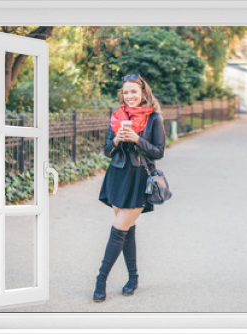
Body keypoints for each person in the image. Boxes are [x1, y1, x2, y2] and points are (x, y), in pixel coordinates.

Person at [94, 74, 166, 302]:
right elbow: (107, 150)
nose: (130, 96)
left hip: (138, 179)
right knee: (127, 229)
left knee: (118, 231)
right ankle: (133, 278)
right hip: (117, 176)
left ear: (144, 93)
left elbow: (159, 151)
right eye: (126, 92)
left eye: (134, 92)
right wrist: (116, 140)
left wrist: (136, 139)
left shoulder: (154, 118)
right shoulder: (117, 117)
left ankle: (100, 280)